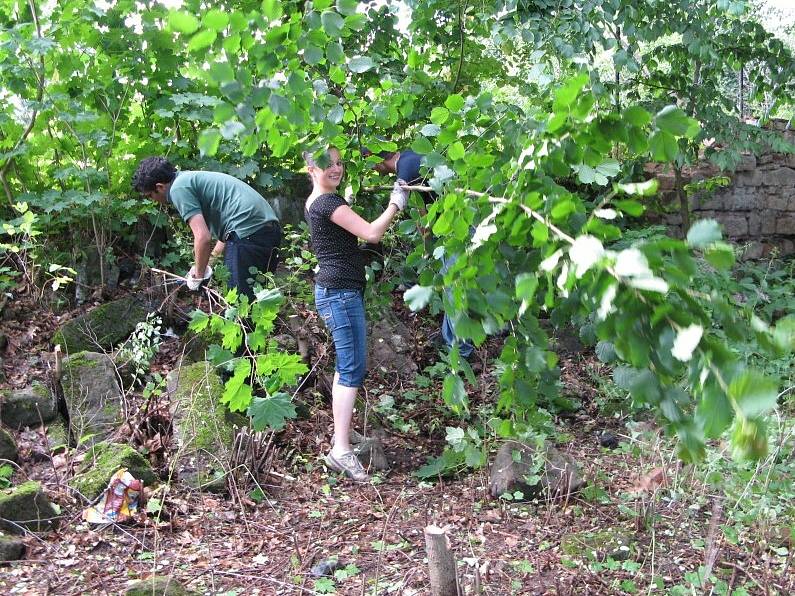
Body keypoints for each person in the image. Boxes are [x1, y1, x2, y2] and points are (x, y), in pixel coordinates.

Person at [304, 147, 406, 482]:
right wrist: (396, 201)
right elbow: (372, 233)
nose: (335, 168)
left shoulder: (316, 201)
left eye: (338, 162)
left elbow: (340, 239)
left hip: (337, 291)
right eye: (326, 164)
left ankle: (341, 437)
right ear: (310, 168)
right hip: (340, 294)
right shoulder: (328, 203)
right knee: (352, 369)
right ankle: (341, 451)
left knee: (346, 367)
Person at [368, 148, 474, 359]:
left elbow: (404, 204)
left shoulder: (405, 169)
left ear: (375, 161)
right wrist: (427, 247)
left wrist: (426, 248)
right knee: (450, 284)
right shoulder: (412, 157)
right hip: (453, 228)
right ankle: (449, 340)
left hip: (460, 230)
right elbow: (423, 213)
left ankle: (462, 354)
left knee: (454, 288)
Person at [132, 157, 282, 298]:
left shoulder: (178, 188)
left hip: (247, 234)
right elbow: (226, 236)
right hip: (267, 231)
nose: (153, 201)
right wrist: (206, 265)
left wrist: (197, 276)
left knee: (239, 305)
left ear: (159, 187)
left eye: (150, 196)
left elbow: (203, 238)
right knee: (258, 299)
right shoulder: (189, 179)